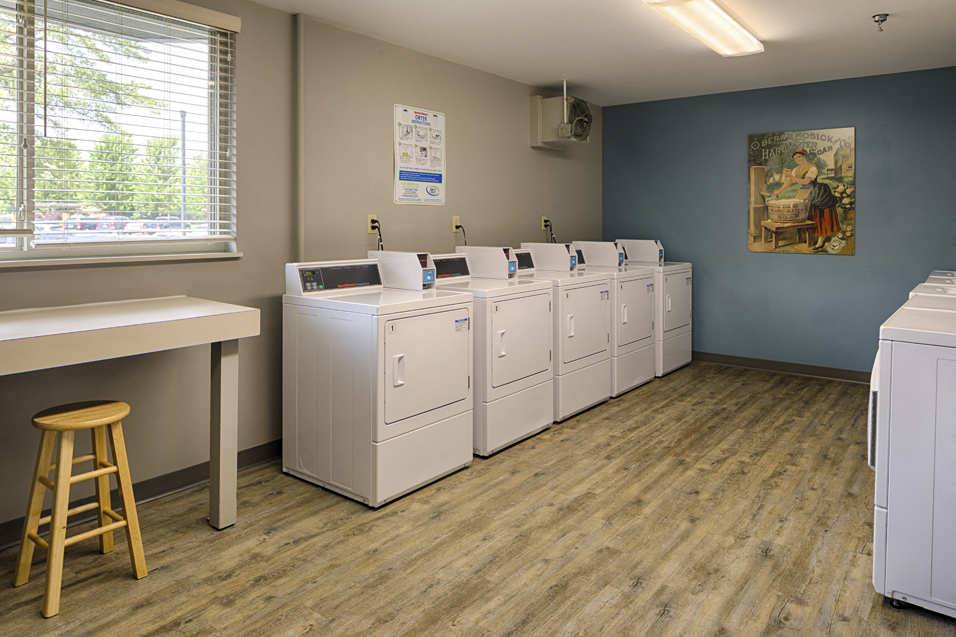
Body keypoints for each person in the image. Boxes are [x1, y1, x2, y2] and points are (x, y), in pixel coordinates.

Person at [773, 149, 841, 249]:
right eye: (795, 158)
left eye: (799, 157)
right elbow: (789, 182)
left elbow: (806, 181)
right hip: (806, 191)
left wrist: (792, 176)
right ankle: (811, 237)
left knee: (818, 214)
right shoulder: (796, 169)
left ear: (804, 156)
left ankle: (820, 240)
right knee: (807, 214)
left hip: (817, 192)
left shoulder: (812, 168)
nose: (797, 159)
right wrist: (778, 192)